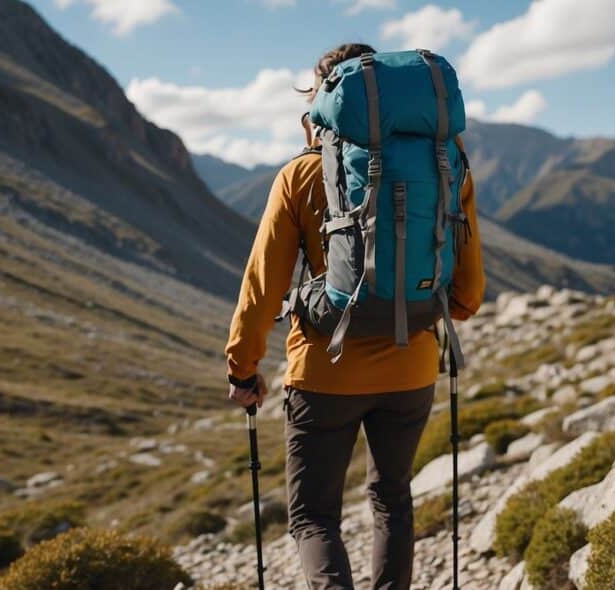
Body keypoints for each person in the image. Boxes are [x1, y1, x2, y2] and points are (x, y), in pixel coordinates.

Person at [225, 43, 485, 590]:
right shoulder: (446, 163)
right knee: (393, 498)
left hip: (325, 372)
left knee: (314, 516)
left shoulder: (299, 176)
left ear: (324, 99)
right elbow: (467, 295)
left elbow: (262, 286)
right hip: (411, 367)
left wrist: (243, 369)